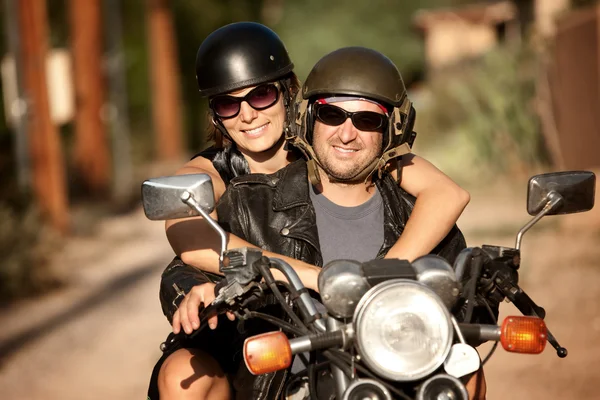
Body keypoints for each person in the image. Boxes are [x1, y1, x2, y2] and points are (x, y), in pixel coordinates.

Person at [150, 44, 481, 400]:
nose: (247, 115)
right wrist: (321, 280)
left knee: (466, 367)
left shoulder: (340, 144)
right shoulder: (220, 174)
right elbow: (193, 242)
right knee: (184, 370)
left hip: (382, 338)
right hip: (279, 338)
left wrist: (380, 274)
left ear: (290, 94)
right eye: (229, 104)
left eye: (261, 95)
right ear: (216, 115)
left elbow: (446, 194)